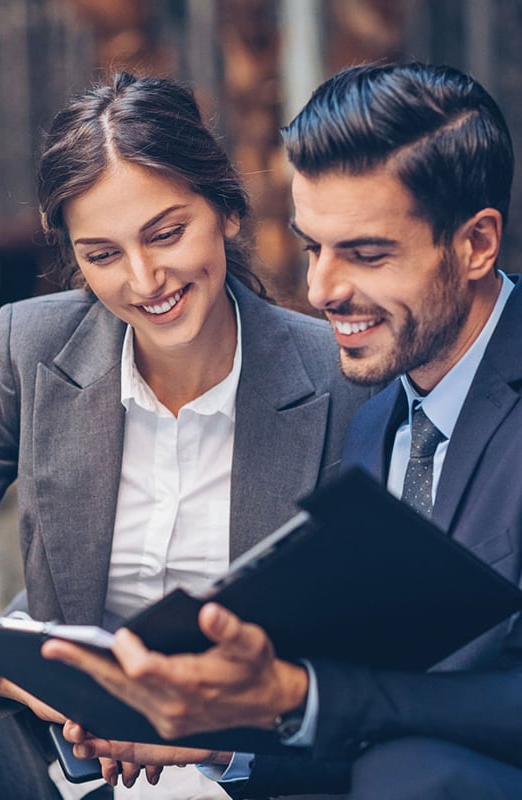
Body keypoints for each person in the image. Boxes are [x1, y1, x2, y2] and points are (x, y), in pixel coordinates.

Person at [43, 62, 522, 799]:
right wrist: (209, 737)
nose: (323, 289)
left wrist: (300, 693)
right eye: (311, 248)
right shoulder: (373, 429)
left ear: (476, 244)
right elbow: (370, 724)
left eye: (365, 253)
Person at [0, 72, 369, 800]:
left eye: (166, 234)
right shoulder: (26, 347)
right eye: (101, 255)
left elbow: (374, 657)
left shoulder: (343, 376)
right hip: (47, 757)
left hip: (246, 768)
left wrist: (217, 740)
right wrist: (17, 681)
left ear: (226, 209)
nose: (143, 279)